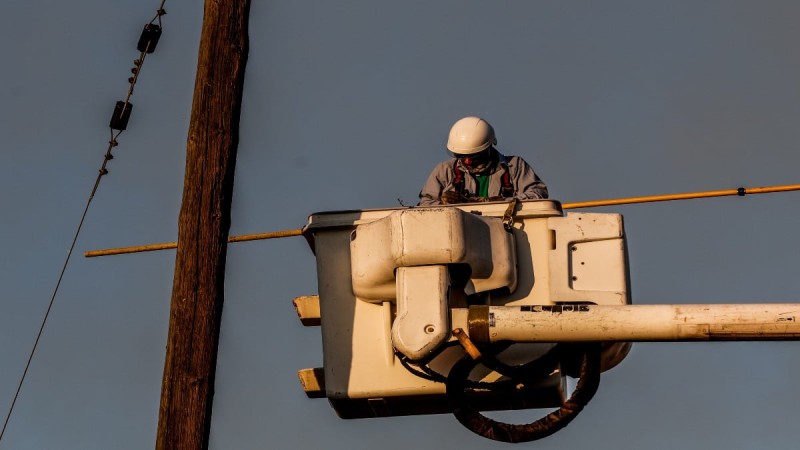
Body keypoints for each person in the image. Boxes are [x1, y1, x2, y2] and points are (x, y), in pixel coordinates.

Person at [418, 116, 548, 205]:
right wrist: (443, 204)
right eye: (462, 156)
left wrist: (501, 202)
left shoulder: (514, 167)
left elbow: (538, 194)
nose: (467, 161)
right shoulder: (445, 171)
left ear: (489, 148)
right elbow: (425, 204)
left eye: (474, 156)